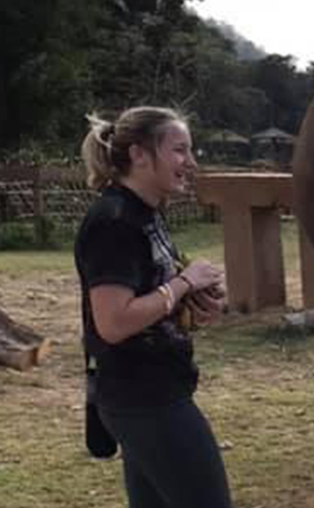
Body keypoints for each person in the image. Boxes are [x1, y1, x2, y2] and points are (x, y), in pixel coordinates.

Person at [75, 106, 232, 508]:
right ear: (140, 155)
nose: (191, 162)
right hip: (144, 400)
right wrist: (183, 283)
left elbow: (154, 296)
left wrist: (196, 301)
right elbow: (113, 322)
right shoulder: (114, 221)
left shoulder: (146, 215)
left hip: (155, 392)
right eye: (179, 150)